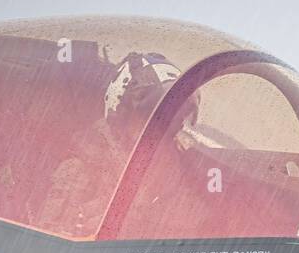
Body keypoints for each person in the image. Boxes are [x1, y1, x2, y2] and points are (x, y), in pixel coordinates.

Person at [35, 51, 188, 239]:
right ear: (122, 114)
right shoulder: (80, 169)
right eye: (149, 118)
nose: (159, 130)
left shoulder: (170, 168)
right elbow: (52, 244)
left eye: (169, 120)